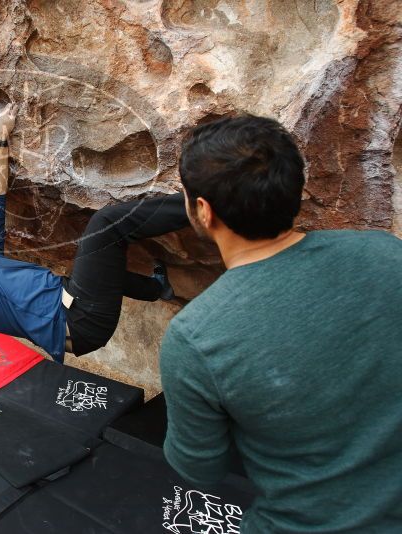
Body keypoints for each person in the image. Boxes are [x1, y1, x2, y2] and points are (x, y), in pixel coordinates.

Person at [159, 115, 402, 532]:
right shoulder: (387, 253)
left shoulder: (195, 337)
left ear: (203, 209)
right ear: (294, 188)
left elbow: (200, 469)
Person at [0, 105, 190, 362]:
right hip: (78, 317)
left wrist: (1, 138)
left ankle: (157, 288)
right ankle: (198, 203)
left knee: (96, 267)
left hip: (77, 321)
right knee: (106, 225)